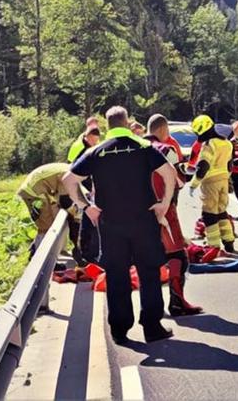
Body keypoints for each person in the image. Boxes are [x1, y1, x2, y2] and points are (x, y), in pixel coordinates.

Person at [62, 106, 175, 345]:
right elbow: (169, 173)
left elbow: (69, 180)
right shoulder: (144, 148)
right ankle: (152, 327)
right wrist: (163, 204)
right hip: (143, 221)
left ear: (108, 125)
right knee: (149, 272)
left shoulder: (96, 152)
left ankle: (120, 330)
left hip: (111, 225)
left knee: (116, 275)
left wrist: (86, 207)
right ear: (127, 122)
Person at [145, 114, 202, 316]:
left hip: (137, 213)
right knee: (178, 256)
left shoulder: (133, 148)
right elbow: (179, 180)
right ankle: (177, 303)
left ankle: (150, 311)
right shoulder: (165, 150)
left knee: (146, 260)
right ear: (162, 130)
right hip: (164, 208)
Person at [17, 163, 85, 265]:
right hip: (34, 193)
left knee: (57, 218)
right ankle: (41, 261)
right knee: (47, 226)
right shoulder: (69, 175)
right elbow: (65, 201)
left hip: (40, 190)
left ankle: (38, 250)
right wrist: (76, 216)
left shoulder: (71, 171)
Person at [188, 115, 235, 254]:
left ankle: (213, 246)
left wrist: (193, 184)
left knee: (209, 215)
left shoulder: (209, 145)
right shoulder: (227, 143)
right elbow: (230, 165)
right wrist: (227, 179)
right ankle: (229, 241)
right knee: (222, 212)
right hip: (224, 181)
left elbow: (203, 167)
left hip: (210, 184)